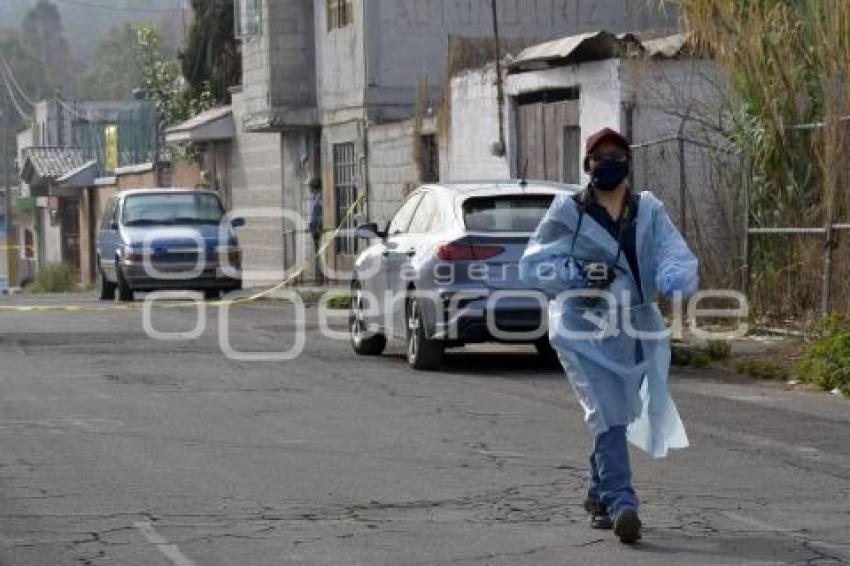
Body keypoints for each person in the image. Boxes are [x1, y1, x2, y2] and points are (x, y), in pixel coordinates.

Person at [520, 127, 699, 544]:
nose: (609, 162)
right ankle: (623, 503)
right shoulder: (568, 212)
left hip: (635, 327)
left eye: (617, 154)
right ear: (588, 166)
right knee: (605, 409)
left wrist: (674, 279)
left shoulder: (648, 210)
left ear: (628, 162)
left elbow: (673, 250)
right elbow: (535, 264)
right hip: (582, 330)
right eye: (600, 156)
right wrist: (577, 274)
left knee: (616, 412)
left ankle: (597, 493)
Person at [308, 178, 325, 285]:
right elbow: (314, 214)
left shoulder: (321, 198)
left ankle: (321, 278)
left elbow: (322, 214)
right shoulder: (314, 198)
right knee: (317, 253)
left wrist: (318, 225)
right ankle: (318, 277)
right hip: (314, 228)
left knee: (320, 253)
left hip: (319, 229)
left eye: (311, 187)